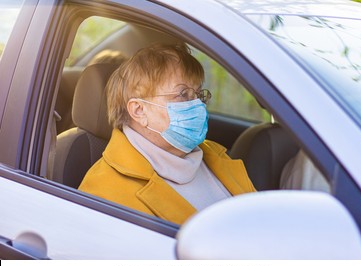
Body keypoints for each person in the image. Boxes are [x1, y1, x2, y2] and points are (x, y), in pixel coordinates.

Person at [79, 43, 256, 225]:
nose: (197, 104)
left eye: (197, 94)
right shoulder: (103, 194)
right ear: (139, 110)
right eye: (183, 94)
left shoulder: (216, 155)